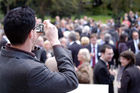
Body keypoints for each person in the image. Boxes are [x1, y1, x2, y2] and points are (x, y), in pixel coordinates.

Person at [0, 6, 78, 93]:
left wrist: (32, 38)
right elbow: (71, 81)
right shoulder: (34, 71)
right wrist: (55, 41)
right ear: (30, 33)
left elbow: (24, 60)